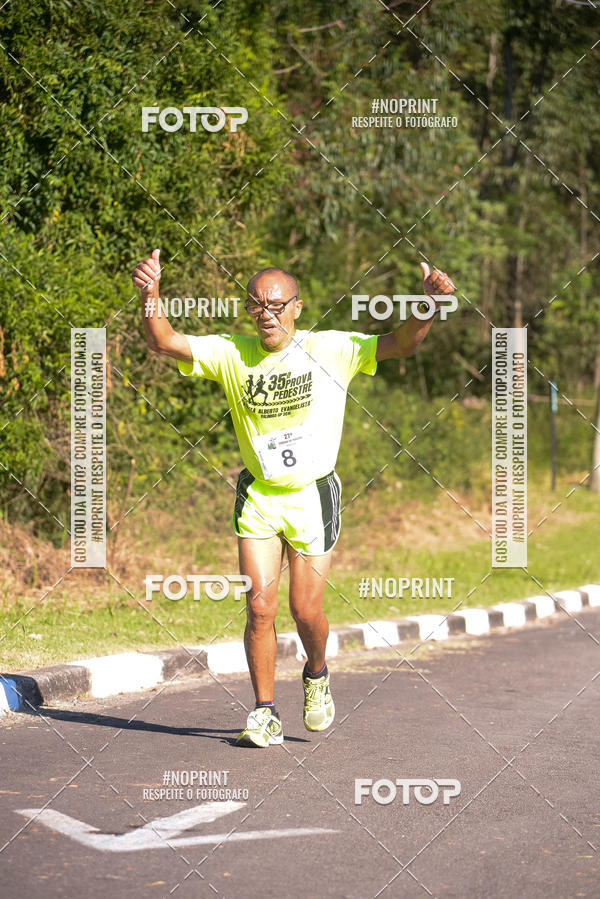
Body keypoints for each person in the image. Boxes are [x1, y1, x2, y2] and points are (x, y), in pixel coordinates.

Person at [133, 250, 455, 747]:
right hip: (260, 497)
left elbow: (403, 343)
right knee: (260, 609)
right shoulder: (231, 352)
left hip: (313, 497)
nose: (268, 314)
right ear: (248, 311)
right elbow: (164, 342)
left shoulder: (332, 348)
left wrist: (428, 304)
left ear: (298, 308)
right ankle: (264, 711)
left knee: (305, 611)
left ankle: (317, 672)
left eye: (278, 305)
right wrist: (151, 295)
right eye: (258, 305)